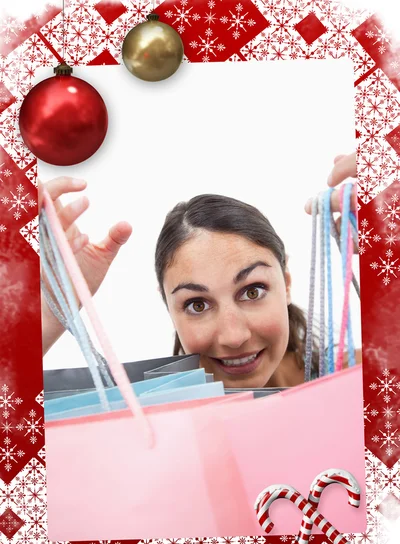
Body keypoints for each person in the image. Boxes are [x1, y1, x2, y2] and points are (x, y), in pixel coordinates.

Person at [41, 152, 360, 388]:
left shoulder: (368, 381)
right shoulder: (146, 424)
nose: (234, 337)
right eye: (197, 304)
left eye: (252, 291)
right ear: (169, 308)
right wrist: (46, 312)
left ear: (286, 284)